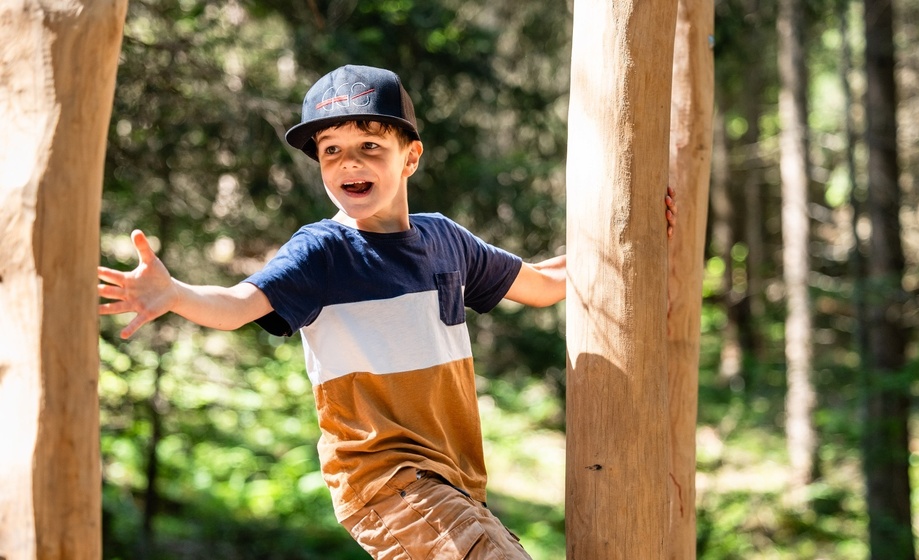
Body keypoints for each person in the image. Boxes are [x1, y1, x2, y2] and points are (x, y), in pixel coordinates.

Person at [99, 63, 676, 559]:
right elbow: (236, 305)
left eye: (370, 146)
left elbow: (547, 283)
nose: (350, 164)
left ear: (411, 157)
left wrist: (632, 231)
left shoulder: (446, 242)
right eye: (332, 152)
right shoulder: (322, 251)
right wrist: (174, 294)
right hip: (385, 482)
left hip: (454, 483)